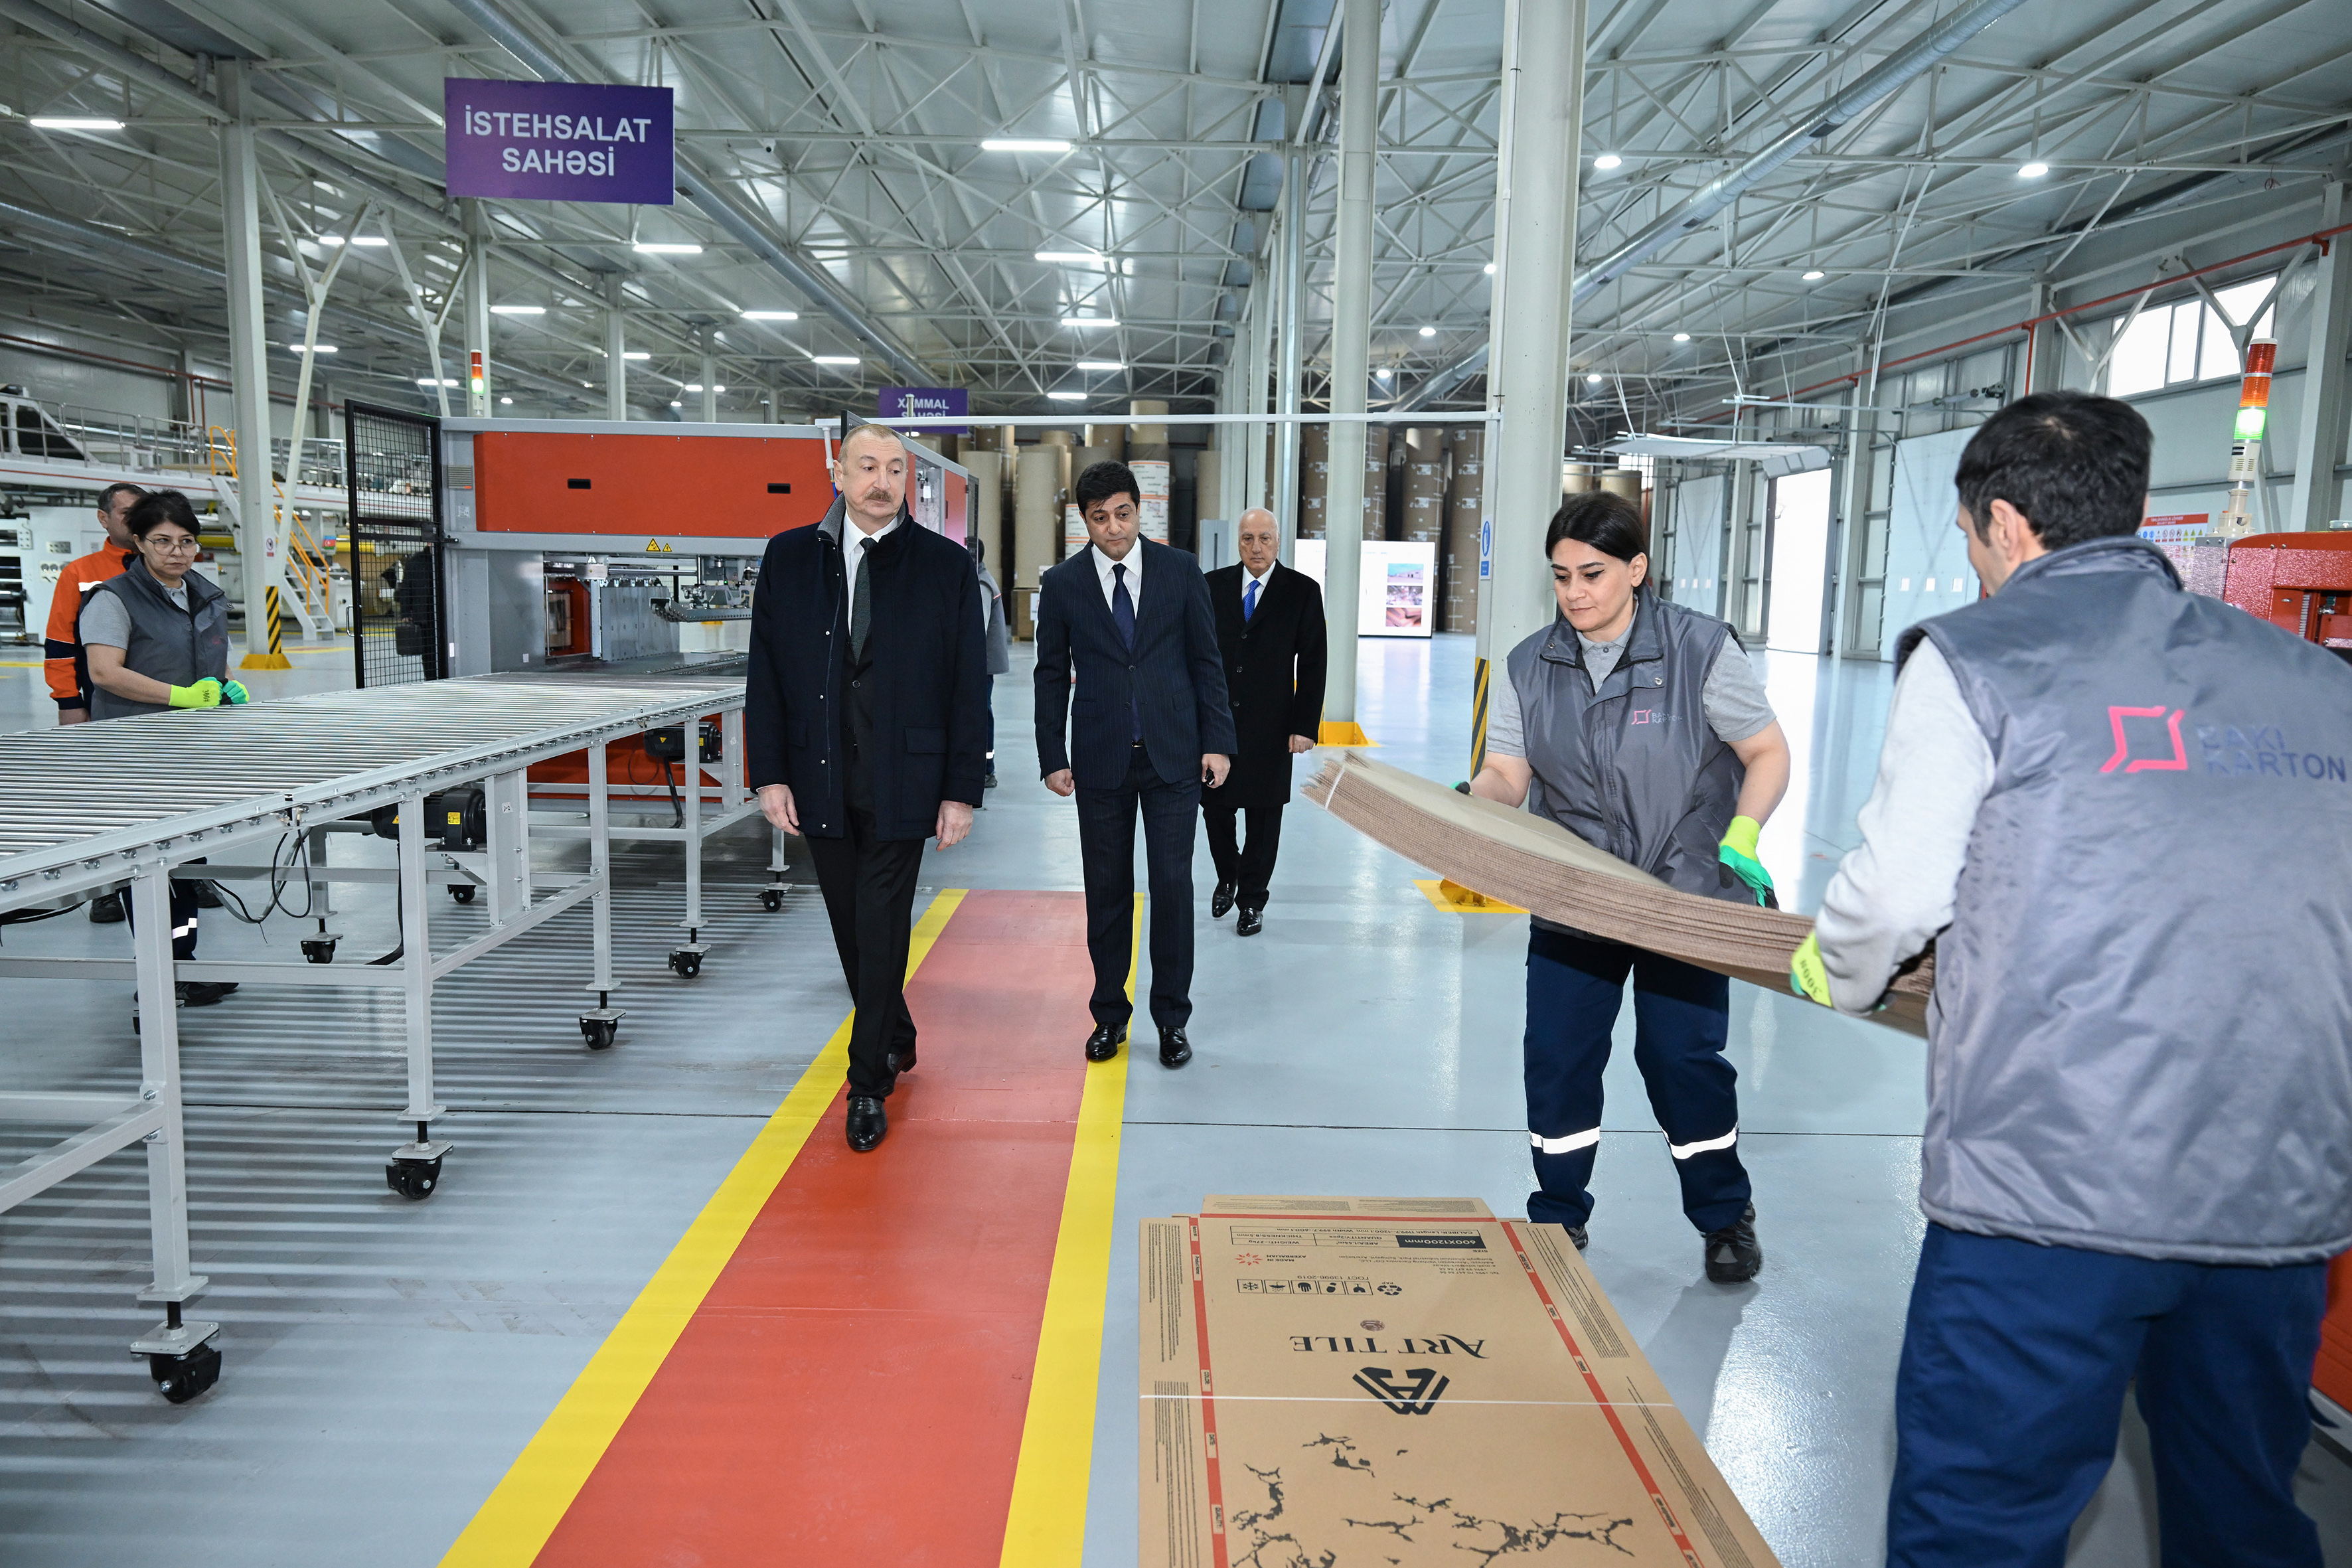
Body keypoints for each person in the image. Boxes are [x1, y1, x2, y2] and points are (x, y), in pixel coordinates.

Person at [1788, 391, 2352, 1567]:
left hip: (2048, 1188)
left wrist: (1837, 974)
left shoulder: (1978, 656)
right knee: (2244, 1514)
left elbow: (1891, 900)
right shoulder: (2314, 680)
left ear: (2002, 522)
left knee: (1978, 1521)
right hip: (2275, 1188)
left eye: (1967, 536)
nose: (1973, 561)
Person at [1466, 489, 1790, 1283]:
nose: (1575, 593)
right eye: (1561, 576)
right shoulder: (1528, 666)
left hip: (1683, 895)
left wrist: (1744, 834)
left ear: (1637, 569)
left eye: (1593, 574)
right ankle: (1558, 1211)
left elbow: (1766, 751)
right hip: (1578, 896)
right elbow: (1508, 773)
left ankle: (1724, 1212)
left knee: (1683, 1059)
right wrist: (1470, 806)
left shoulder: (1700, 649)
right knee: (1558, 1055)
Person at [745, 424, 988, 1153]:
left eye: (894, 469)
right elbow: (765, 673)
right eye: (867, 466)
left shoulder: (944, 565)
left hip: (904, 776)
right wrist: (770, 773)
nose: (882, 482)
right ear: (837, 473)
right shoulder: (790, 557)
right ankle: (897, 1032)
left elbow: (967, 683)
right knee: (851, 926)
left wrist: (961, 789)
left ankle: (867, 1081)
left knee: (880, 922)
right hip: (817, 774)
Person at [1035, 459, 1235, 1069]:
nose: (1114, 528)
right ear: (1084, 520)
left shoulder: (1179, 570)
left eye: (1123, 514)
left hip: (1173, 755)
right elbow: (1050, 674)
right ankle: (1108, 1016)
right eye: (1100, 518)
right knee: (1107, 892)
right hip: (1099, 758)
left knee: (1172, 888)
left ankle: (1172, 1020)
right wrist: (1052, 755)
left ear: (1139, 509)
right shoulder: (1063, 584)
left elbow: (1206, 660)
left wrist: (1218, 741)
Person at [80, 489, 248, 1007]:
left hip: (192, 753)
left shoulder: (206, 595)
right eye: (163, 541)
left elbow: (212, 659)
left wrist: (225, 687)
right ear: (137, 541)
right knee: (147, 867)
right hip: (136, 753)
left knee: (185, 865)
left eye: (187, 541)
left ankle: (183, 963)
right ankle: (158, 976)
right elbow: (104, 672)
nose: (177, 552)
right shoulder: (113, 599)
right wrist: (181, 697)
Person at [1201, 507, 1326, 935]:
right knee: (1215, 809)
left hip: (1272, 725)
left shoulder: (1302, 591)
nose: (1256, 548)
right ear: (1238, 541)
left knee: (1264, 817)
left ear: (1278, 541)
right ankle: (1228, 875)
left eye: (1264, 538)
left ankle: (1252, 900)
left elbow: (1314, 662)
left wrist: (1304, 726)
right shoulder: (1211, 586)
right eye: (1248, 538)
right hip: (1218, 722)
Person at [49, 482, 145, 921]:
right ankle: (107, 887)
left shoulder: (164, 566)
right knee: (107, 796)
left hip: (164, 703)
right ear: (104, 519)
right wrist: (69, 701)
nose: (135, 518)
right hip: (102, 701)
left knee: (171, 793)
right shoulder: (81, 573)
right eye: (125, 512)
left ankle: (189, 873)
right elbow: (60, 643)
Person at [971, 534, 1010, 791]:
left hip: (981, 666)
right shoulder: (978, 578)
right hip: (980, 664)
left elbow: (978, 627)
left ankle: (987, 769)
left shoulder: (982, 583)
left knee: (982, 713)